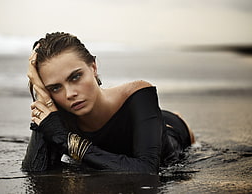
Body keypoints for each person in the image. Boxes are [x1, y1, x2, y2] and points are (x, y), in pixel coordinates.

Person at [22, 32, 195, 173]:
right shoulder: (57, 114)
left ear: (93, 67)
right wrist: (42, 97)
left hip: (170, 132)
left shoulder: (137, 93)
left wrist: (64, 139)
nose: (70, 94)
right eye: (55, 88)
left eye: (76, 77)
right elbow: (34, 170)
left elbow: (146, 171)